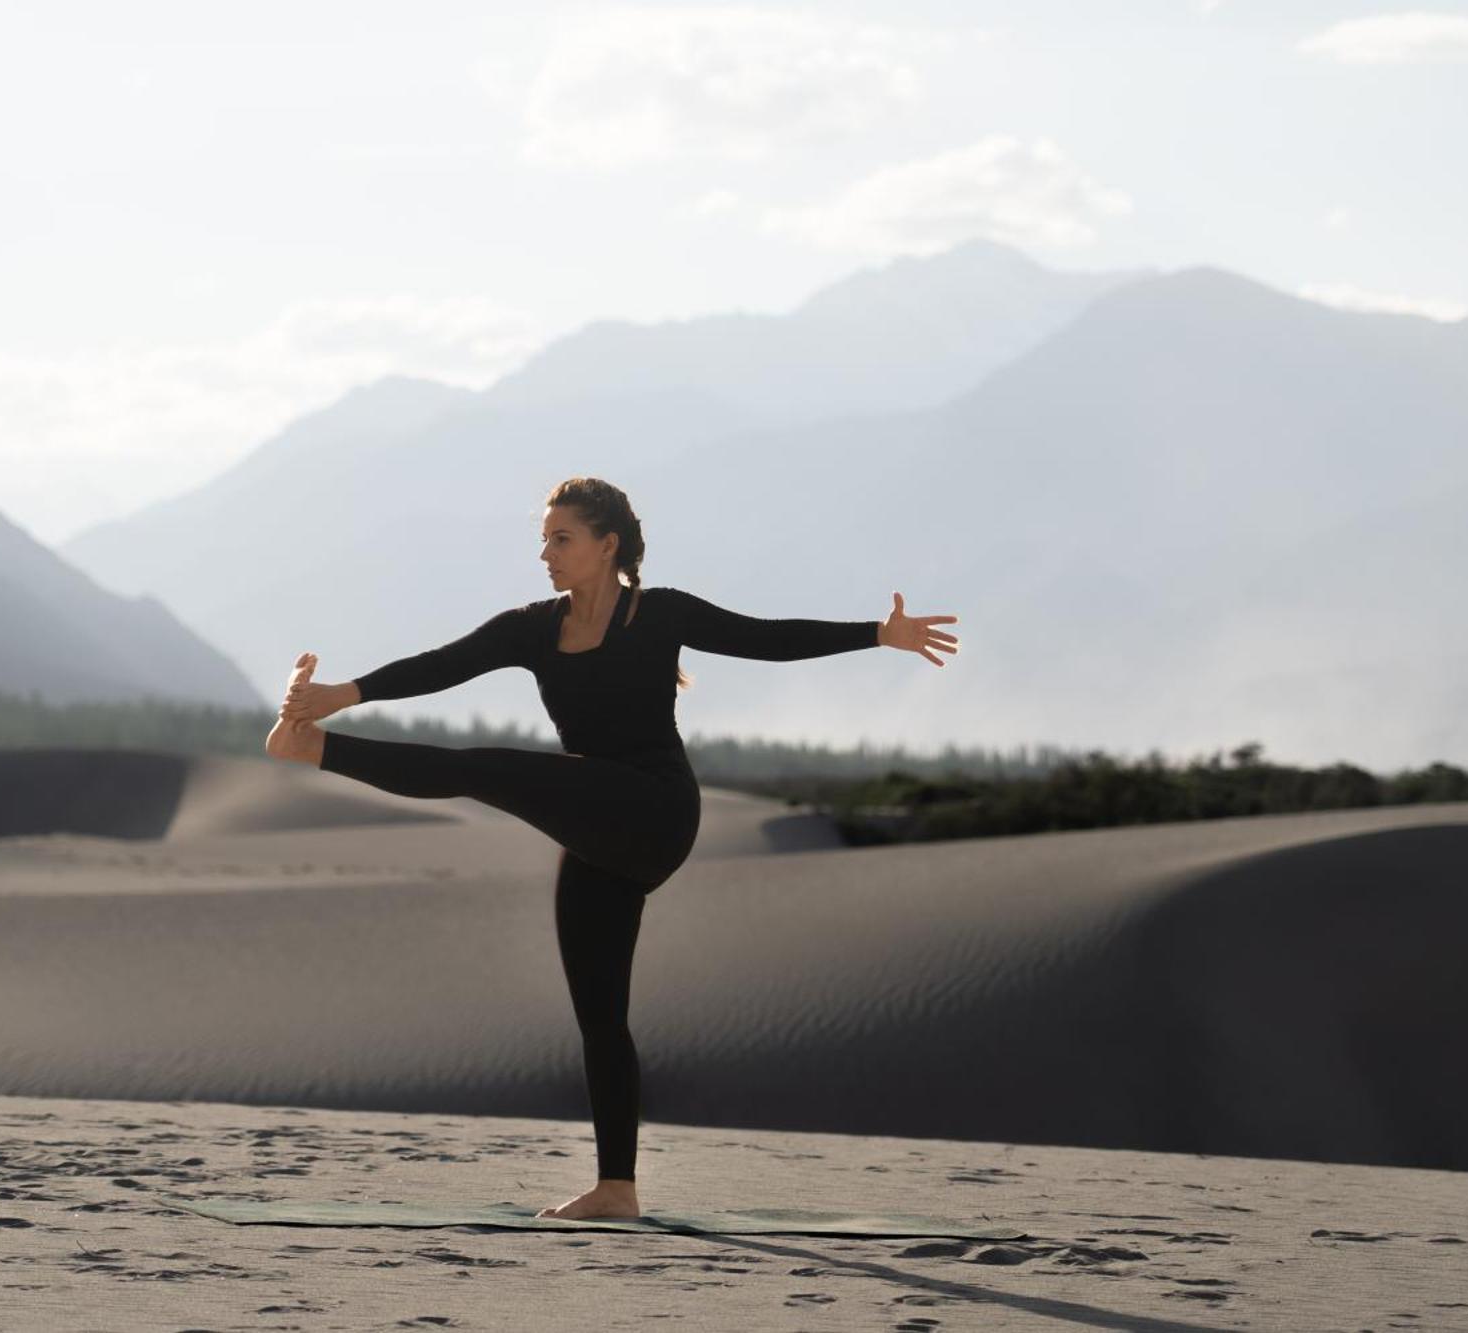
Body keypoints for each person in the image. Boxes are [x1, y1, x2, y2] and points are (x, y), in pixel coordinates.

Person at [264, 476, 959, 1220]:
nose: (546, 553)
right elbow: (444, 663)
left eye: (561, 538)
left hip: (655, 809)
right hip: (595, 825)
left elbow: (767, 637)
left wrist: (877, 634)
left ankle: (313, 752)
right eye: (543, 538)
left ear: (608, 545)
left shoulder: (657, 614)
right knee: (599, 1011)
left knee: (481, 766)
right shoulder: (534, 627)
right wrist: (342, 691)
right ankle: (618, 1187)